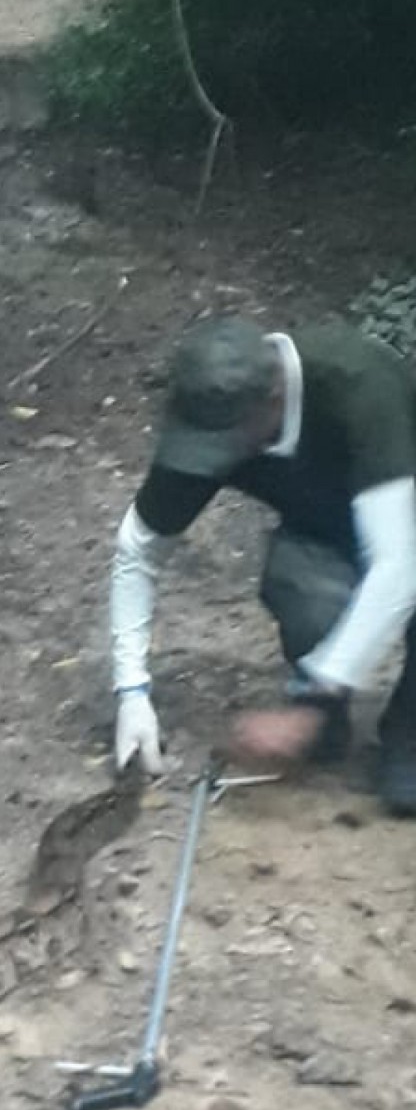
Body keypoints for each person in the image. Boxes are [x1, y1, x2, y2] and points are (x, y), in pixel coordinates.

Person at [109, 314, 416, 812]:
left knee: (407, 793)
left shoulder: (358, 386)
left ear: (274, 397)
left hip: (408, 528)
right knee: (301, 586)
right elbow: (138, 547)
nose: (213, 458)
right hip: (328, 537)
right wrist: (132, 693)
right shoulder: (210, 412)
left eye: (225, 442)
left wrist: (307, 709)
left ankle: (407, 729)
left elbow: (399, 568)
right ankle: (330, 722)